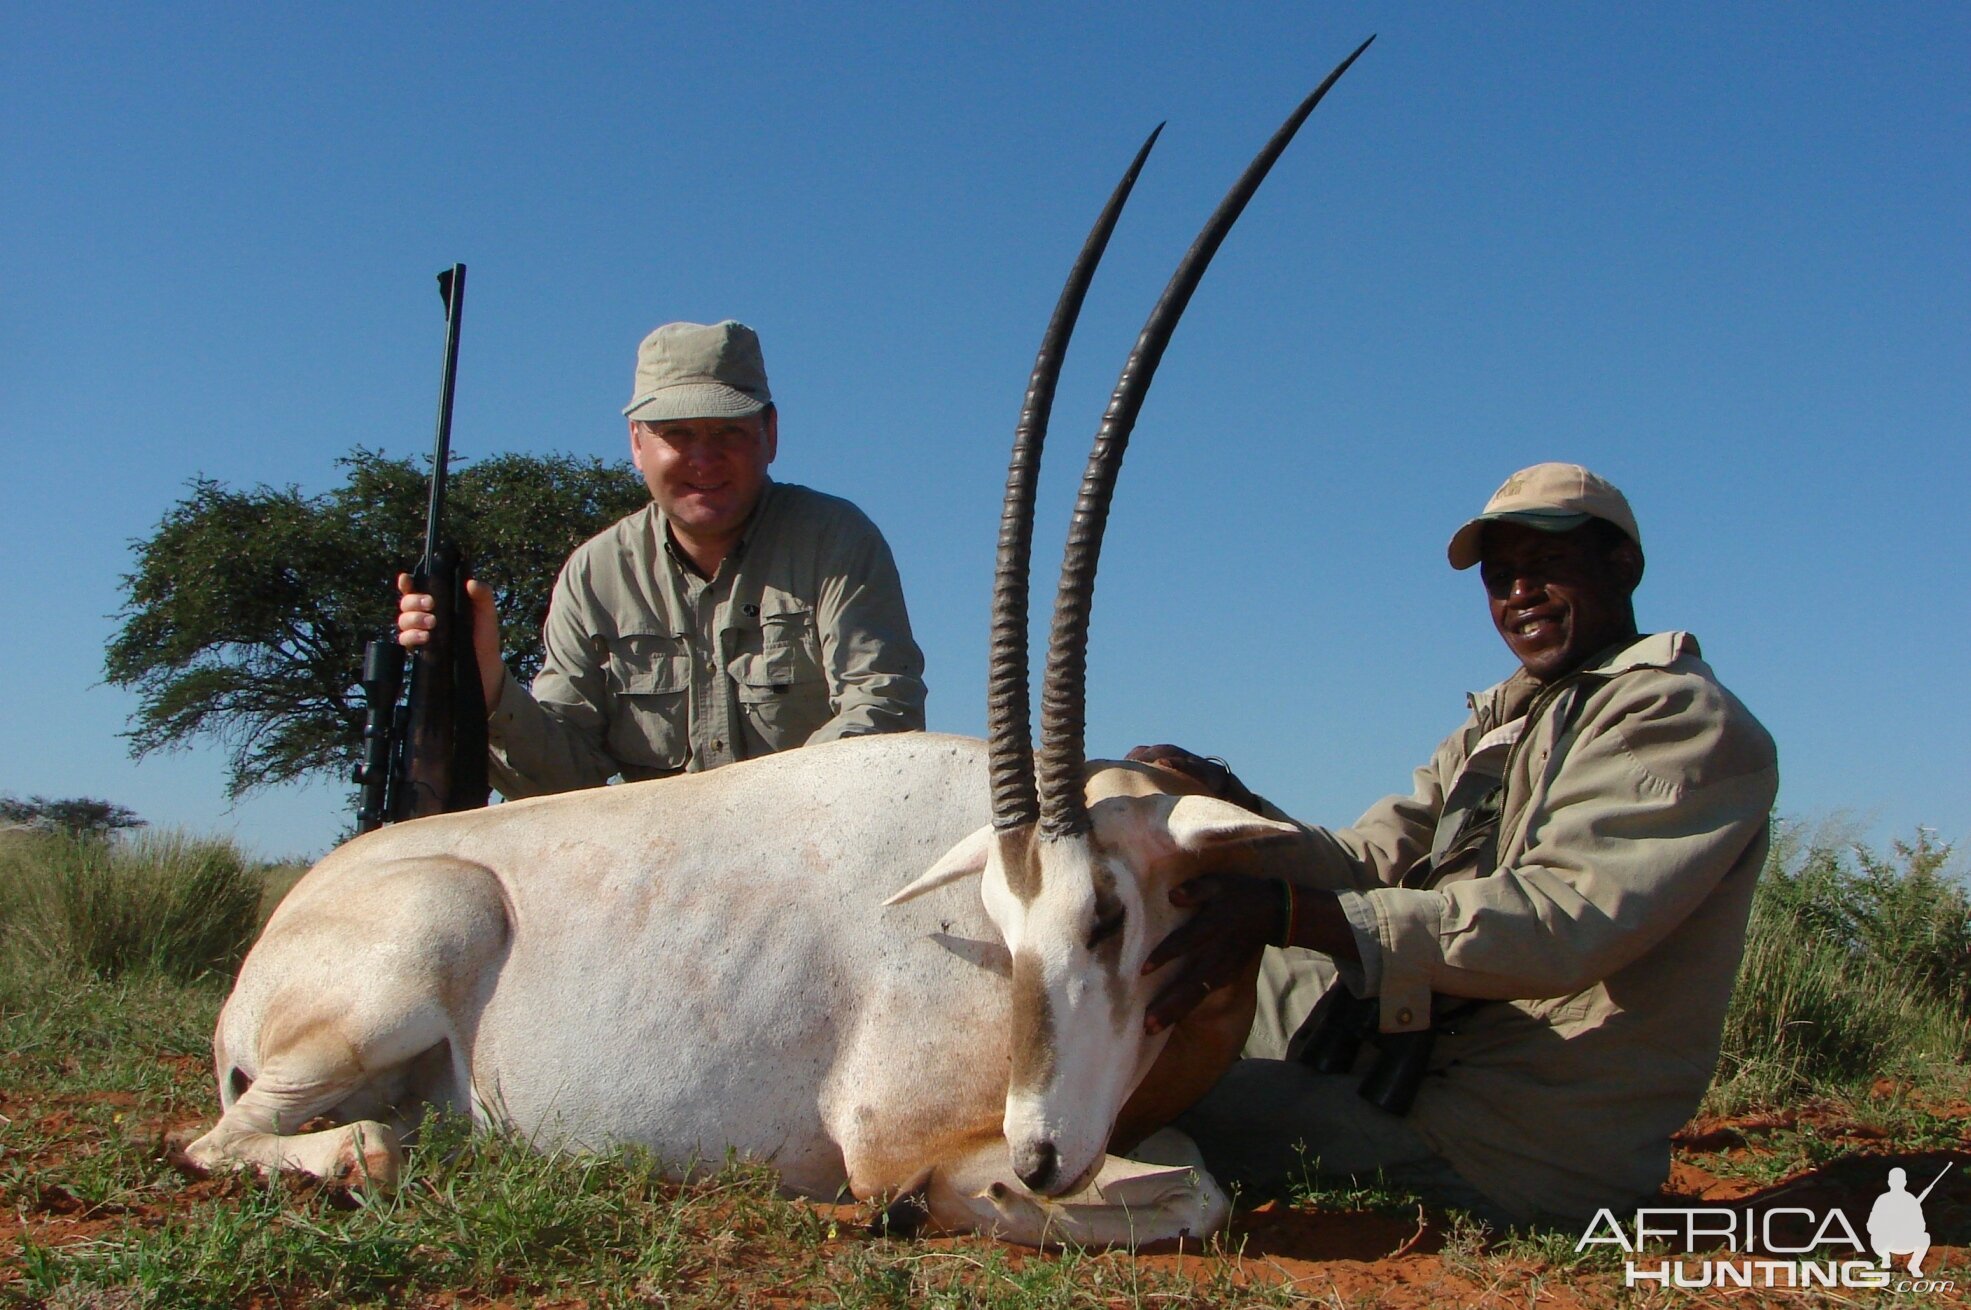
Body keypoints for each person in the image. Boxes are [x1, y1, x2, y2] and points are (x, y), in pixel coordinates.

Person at [1138, 462, 1779, 1228]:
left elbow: (1553, 922)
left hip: (1506, 1132)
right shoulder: (1507, 719)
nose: (1518, 594)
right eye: (1500, 576)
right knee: (1151, 994)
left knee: (1151, 1103)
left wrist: (1280, 913)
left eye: (1546, 567)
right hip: (1405, 1051)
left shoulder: (1677, 721)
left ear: (1622, 565)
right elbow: (1367, 862)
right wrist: (1231, 806)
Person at [398, 319, 927, 799]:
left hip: (804, 846)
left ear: (770, 434)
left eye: (728, 432)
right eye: (676, 433)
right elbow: (565, 780)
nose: (703, 459)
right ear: (637, 443)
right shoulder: (593, 574)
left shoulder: (835, 540)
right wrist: (486, 680)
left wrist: (764, 816)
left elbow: (883, 708)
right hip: (650, 869)